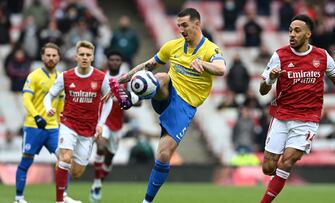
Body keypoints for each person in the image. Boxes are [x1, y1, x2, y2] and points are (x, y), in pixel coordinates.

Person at [108, 8, 226, 203]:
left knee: (163, 155)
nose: (181, 29)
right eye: (179, 26)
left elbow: (221, 68)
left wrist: (204, 65)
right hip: (166, 91)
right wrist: (122, 80)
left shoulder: (210, 50)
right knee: (161, 76)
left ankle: (147, 201)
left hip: (184, 107)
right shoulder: (173, 46)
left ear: (197, 24)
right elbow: (148, 65)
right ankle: (131, 98)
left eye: (185, 25)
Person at [258, 15, 335, 203]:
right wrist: (270, 78)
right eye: (290, 30)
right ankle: (276, 179)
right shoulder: (279, 56)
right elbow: (263, 91)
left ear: (308, 34)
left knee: (287, 162)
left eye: (297, 30)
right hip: (281, 116)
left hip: (307, 120)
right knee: (268, 168)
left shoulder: (322, 56)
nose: (292, 35)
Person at [44, 40, 113, 203]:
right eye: (81, 54)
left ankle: (62, 170)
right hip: (68, 124)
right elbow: (49, 95)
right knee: (66, 158)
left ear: (93, 57)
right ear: (76, 56)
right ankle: (59, 200)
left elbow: (108, 100)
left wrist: (101, 123)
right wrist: (48, 108)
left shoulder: (101, 77)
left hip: (88, 129)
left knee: (76, 172)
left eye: (88, 55)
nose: (84, 57)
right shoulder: (65, 76)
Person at [13, 43, 64, 203]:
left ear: (58, 57)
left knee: (64, 160)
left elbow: (61, 103)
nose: (51, 58)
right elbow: (26, 99)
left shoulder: (61, 78)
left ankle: (62, 197)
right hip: (34, 126)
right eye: (48, 55)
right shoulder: (34, 76)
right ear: (42, 57)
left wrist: (61, 123)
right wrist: (36, 116)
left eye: (54, 55)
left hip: (53, 128)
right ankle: (19, 197)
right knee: (26, 160)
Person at [89, 50, 134, 202]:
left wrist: (133, 100)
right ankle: (95, 183)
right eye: (112, 59)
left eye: (117, 60)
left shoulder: (126, 79)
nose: (115, 62)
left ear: (121, 62)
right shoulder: (101, 77)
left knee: (109, 159)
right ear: (108, 61)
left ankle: (99, 182)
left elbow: (136, 101)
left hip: (118, 124)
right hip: (103, 121)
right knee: (100, 146)